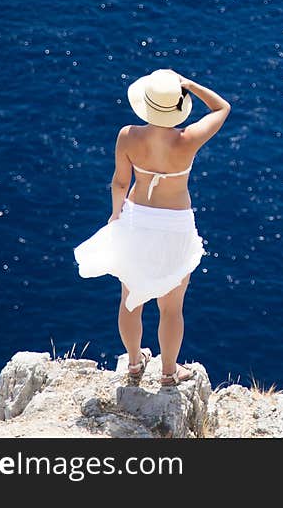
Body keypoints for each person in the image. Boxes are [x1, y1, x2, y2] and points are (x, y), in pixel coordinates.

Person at [74, 69, 231, 386]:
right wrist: (190, 85)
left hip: (136, 220)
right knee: (172, 308)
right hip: (175, 226)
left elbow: (120, 182)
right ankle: (169, 373)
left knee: (130, 298)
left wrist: (115, 216)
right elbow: (222, 108)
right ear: (178, 106)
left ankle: (134, 365)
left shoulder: (128, 135)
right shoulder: (188, 139)